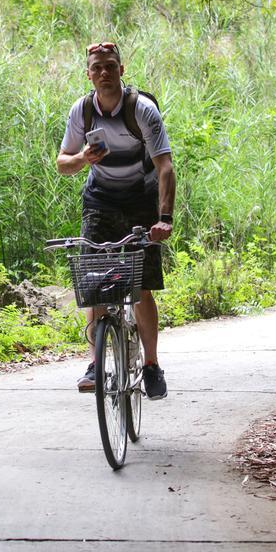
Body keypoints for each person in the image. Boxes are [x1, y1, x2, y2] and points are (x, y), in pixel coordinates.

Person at [56, 41, 175, 399]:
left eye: (110, 66)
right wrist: (82, 158)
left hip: (141, 199)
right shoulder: (82, 111)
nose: (104, 73)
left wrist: (164, 218)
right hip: (100, 200)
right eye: (97, 68)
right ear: (89, 74)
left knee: (140, 287)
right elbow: (62, 163)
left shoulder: (141, 110)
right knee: (94, 284)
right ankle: (95, 363)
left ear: (121, 70)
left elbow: (165, 166)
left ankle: (151, 365)